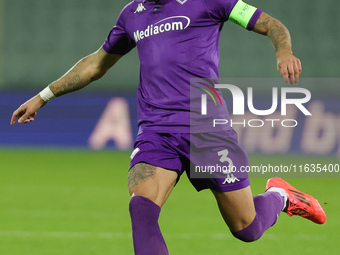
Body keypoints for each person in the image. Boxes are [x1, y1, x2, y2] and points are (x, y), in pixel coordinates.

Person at [11, 0, 326, 254]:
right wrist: (44, 95)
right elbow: (96, 64)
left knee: (247, 228)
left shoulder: (212, 2)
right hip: (156, 131)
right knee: (141, 206)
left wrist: (283, 50)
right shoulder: (132, 14)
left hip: (206, 129)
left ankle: (280, 196)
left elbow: (271, 24)